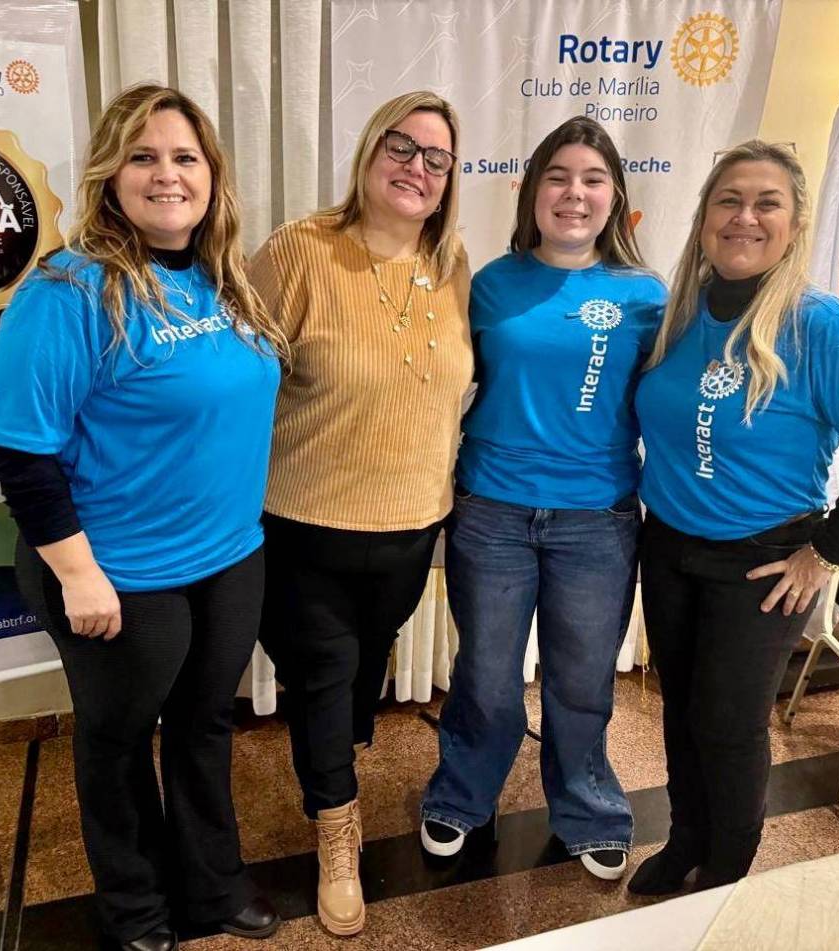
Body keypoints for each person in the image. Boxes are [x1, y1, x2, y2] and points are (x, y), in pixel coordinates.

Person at [0, 84, 287, 951]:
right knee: (116, 743)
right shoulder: (69, 290)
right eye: (143, 157)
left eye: (185, 157)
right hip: (116, 571)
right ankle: (135, 906)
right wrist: (78, 575)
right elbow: (17, 446)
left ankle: (212, 885)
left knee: (204, 726)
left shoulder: (225, 279)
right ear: (111, 174)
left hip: (229, 555)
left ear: (212, 175)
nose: (166, 174)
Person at [630, 140, 839, 894]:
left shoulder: (820, 326)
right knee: (681, 713)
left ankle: (724, 881)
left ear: (795, 225)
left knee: (729, 726)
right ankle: (686, 840)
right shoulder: (680, 311)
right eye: (729, 200)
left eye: (767, 203)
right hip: (668, 549)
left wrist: (826, 552)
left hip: (761, 563)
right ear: (704, 218)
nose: (745, 217)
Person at [419, 116, 667, 880]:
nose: (574, 193)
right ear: (532, 193)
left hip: (598, 519)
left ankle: (589, 808)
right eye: (557, 177)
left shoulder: (645, 295)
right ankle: (462, 794)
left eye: (593, 179)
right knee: (487, 676)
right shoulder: (489, 283)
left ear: (614, 196)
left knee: (582, 679)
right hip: (492, 511)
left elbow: (668, 400)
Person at [248, 90, 472, 936]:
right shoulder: (299, 251)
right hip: (304, 524)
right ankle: (336, 838)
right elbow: (238, 380)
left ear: (450, 178)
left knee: (355, 683)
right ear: (369, 151)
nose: (417, 167)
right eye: (401, 147)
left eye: (436, 158)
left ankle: (329, 764)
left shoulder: (452, 265)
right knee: (324, 676)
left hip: (411, 528)